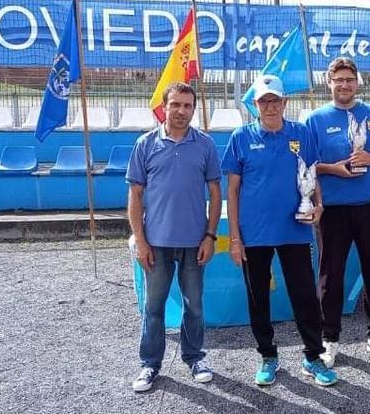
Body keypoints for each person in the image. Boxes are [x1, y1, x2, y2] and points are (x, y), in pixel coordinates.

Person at [222, 75, 338, 387]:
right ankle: (268, 356)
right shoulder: (240, 138)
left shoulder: (301, 134)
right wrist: (235, 238)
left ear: (285, 103)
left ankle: (313, 356)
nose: (270, 106)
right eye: (264, 101)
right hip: (254, 234)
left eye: (275, 100)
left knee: (304, 296)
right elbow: (231, 191)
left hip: (295, 231)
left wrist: (319, 206)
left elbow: (312, 178)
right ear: (255, 105)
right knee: (258, 298)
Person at [305, 57, 370, 367]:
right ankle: (330, 338)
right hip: (333, 210)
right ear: (329, 83)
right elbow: (305, 164)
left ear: (357, 82)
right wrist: (334, 169)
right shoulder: (316, 120)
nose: (344, 85)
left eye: (349, 79)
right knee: (330, 276)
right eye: (338, 80)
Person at [126, 82, 221, 392]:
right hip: (156, 243)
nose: (182, 111)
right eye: (176, 104)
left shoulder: (205, 144)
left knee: (194, 305)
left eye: (187, 106)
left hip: (195, 242)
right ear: (164, 107)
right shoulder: (145, 144)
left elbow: (215, 192)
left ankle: (195, 358)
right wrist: (140, 240)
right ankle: (149, 364)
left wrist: (210, 235)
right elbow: (135, 194)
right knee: (153, 308)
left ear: (193, 109)